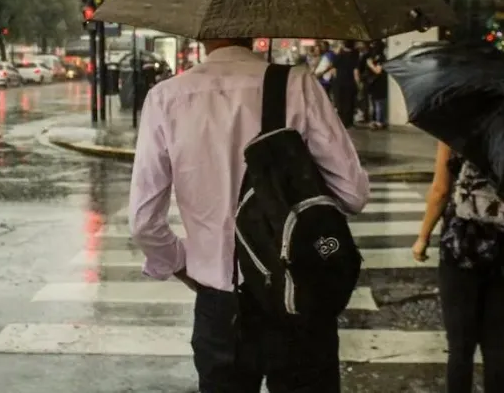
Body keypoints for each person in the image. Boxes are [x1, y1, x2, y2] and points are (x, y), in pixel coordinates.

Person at [128, 37, 370, 393]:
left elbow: (144, 222)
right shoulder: (296, 84)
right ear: (256, 25)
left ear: (201, 32)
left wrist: (183, 264)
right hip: (297, 294)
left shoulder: (166, 98)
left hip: (221, 306)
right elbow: (353, 193)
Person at [413, 142, 504, 393]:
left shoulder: (457, 127)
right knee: (496, 342)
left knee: (460, 346)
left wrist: (423, 237)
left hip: (464, 244)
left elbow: (441, 190)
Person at [330, 40, 359, 128]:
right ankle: (349, 122)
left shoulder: (338, 56)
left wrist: (335, 81)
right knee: (349, 103)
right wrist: (358, 83)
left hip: (339, 82)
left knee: (340, 102)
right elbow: (356, 71)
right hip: (350, 82)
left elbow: (333, 70)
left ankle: (341, 122)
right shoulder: (355, 55)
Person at [365, 40, 388, 129]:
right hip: (373, 84)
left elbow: (378, 71)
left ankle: (380, 121)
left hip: (379, 84)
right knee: (374, 104)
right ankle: (375, 120)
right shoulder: (373, 57)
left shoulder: (382, 58)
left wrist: (370, 64)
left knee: (379, 103)